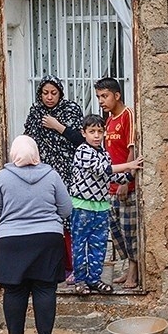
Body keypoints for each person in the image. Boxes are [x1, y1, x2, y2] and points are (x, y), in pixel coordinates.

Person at [0, 135, 73, 334]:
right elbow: (66, 209)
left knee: (14, 290)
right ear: (36, 153)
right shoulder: (51, 175)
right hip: (47, 239)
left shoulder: (2, 177)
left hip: (10, 240)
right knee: (45, 288)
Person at [69, 114, 143, 296]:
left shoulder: (103, 153)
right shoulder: (83, 151)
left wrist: (131, 174)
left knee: (99, 245)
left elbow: (111, 177)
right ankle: (80, 280)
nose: (96, 135)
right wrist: (129, 164)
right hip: (82, 207)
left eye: (99, 131)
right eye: (91, 131)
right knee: (80, 245)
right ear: (83, 133)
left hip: (101, 208)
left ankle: (94, 279)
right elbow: (104, 169)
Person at [23, 75, 84, 285]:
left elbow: (81, 141)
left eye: (54, 93)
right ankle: (51, 267)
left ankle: (73, 267)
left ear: (60, 93)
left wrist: (57, 126)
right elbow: (27, 143)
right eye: (45, 93)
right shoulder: (35, 113)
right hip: (42, 174)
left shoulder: (71, 110)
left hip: (67, 173)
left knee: (68, 218)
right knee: (47, 219)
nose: (49, 97)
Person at [95, 77, 140, 289]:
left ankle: (133, 271)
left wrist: (128, 179)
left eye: (105, 96)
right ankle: (126, 269)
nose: (101, 101)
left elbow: (131, 149)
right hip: (110, 185)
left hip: (125, 185)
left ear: (117, 95)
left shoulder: (127, 115)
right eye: (98, 97)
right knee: (117, 233)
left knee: (129, 230)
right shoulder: (109, 120)